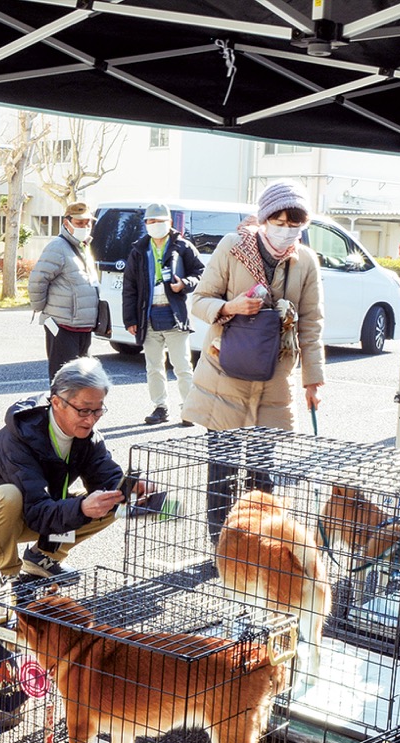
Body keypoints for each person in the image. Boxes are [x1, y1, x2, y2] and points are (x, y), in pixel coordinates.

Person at [181, 179, 324, 541]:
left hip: (274, 379)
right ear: (264, 219)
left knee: (263, 474)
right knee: (223, 470)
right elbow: (198, 300)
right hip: (224, 375)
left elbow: (311, 322)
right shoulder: (233, 246)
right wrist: (230, 307)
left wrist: (313, 380)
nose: (286, 231)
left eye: (295, 225)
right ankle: (221, 545)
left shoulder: (305, 261)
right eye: (279, 222)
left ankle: (260, 544)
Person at [0, 357, 126, 578]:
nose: (91, 420)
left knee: (110, 499)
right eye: (84, 410)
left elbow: (109, 478)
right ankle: (1, 577)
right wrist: (81, 508)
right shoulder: (19, 437)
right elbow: (36, 511)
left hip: (41, 511)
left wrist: (132, 490)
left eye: (98, 411)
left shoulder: (88, 436)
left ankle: (43, 558)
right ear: (56, 402)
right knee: (8, 496)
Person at [122, 202, 205, 425]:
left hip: (175, 314)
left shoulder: (182, 246)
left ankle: (189, 409)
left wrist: (184, 284)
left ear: (169, 223)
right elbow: (129, 286)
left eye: (159, 221)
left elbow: (200, 273)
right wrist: (130, 319)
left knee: (183, 366)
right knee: (154, 366)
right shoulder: (139, 250)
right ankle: (160, 407)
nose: (155, 225)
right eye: (150, 221)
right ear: (145, 224)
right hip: (147, 315)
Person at [27, 202, 101, 381]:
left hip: (83, 326)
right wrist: (44, 309)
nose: (84, 227)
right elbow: (37, 281)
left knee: (81, 380)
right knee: (64, 380)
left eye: (87, 223)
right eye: (79, 222)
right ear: (66, 223)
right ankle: (58, 409)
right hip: (62, 326)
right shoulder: (58, 247)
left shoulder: (83, 247)